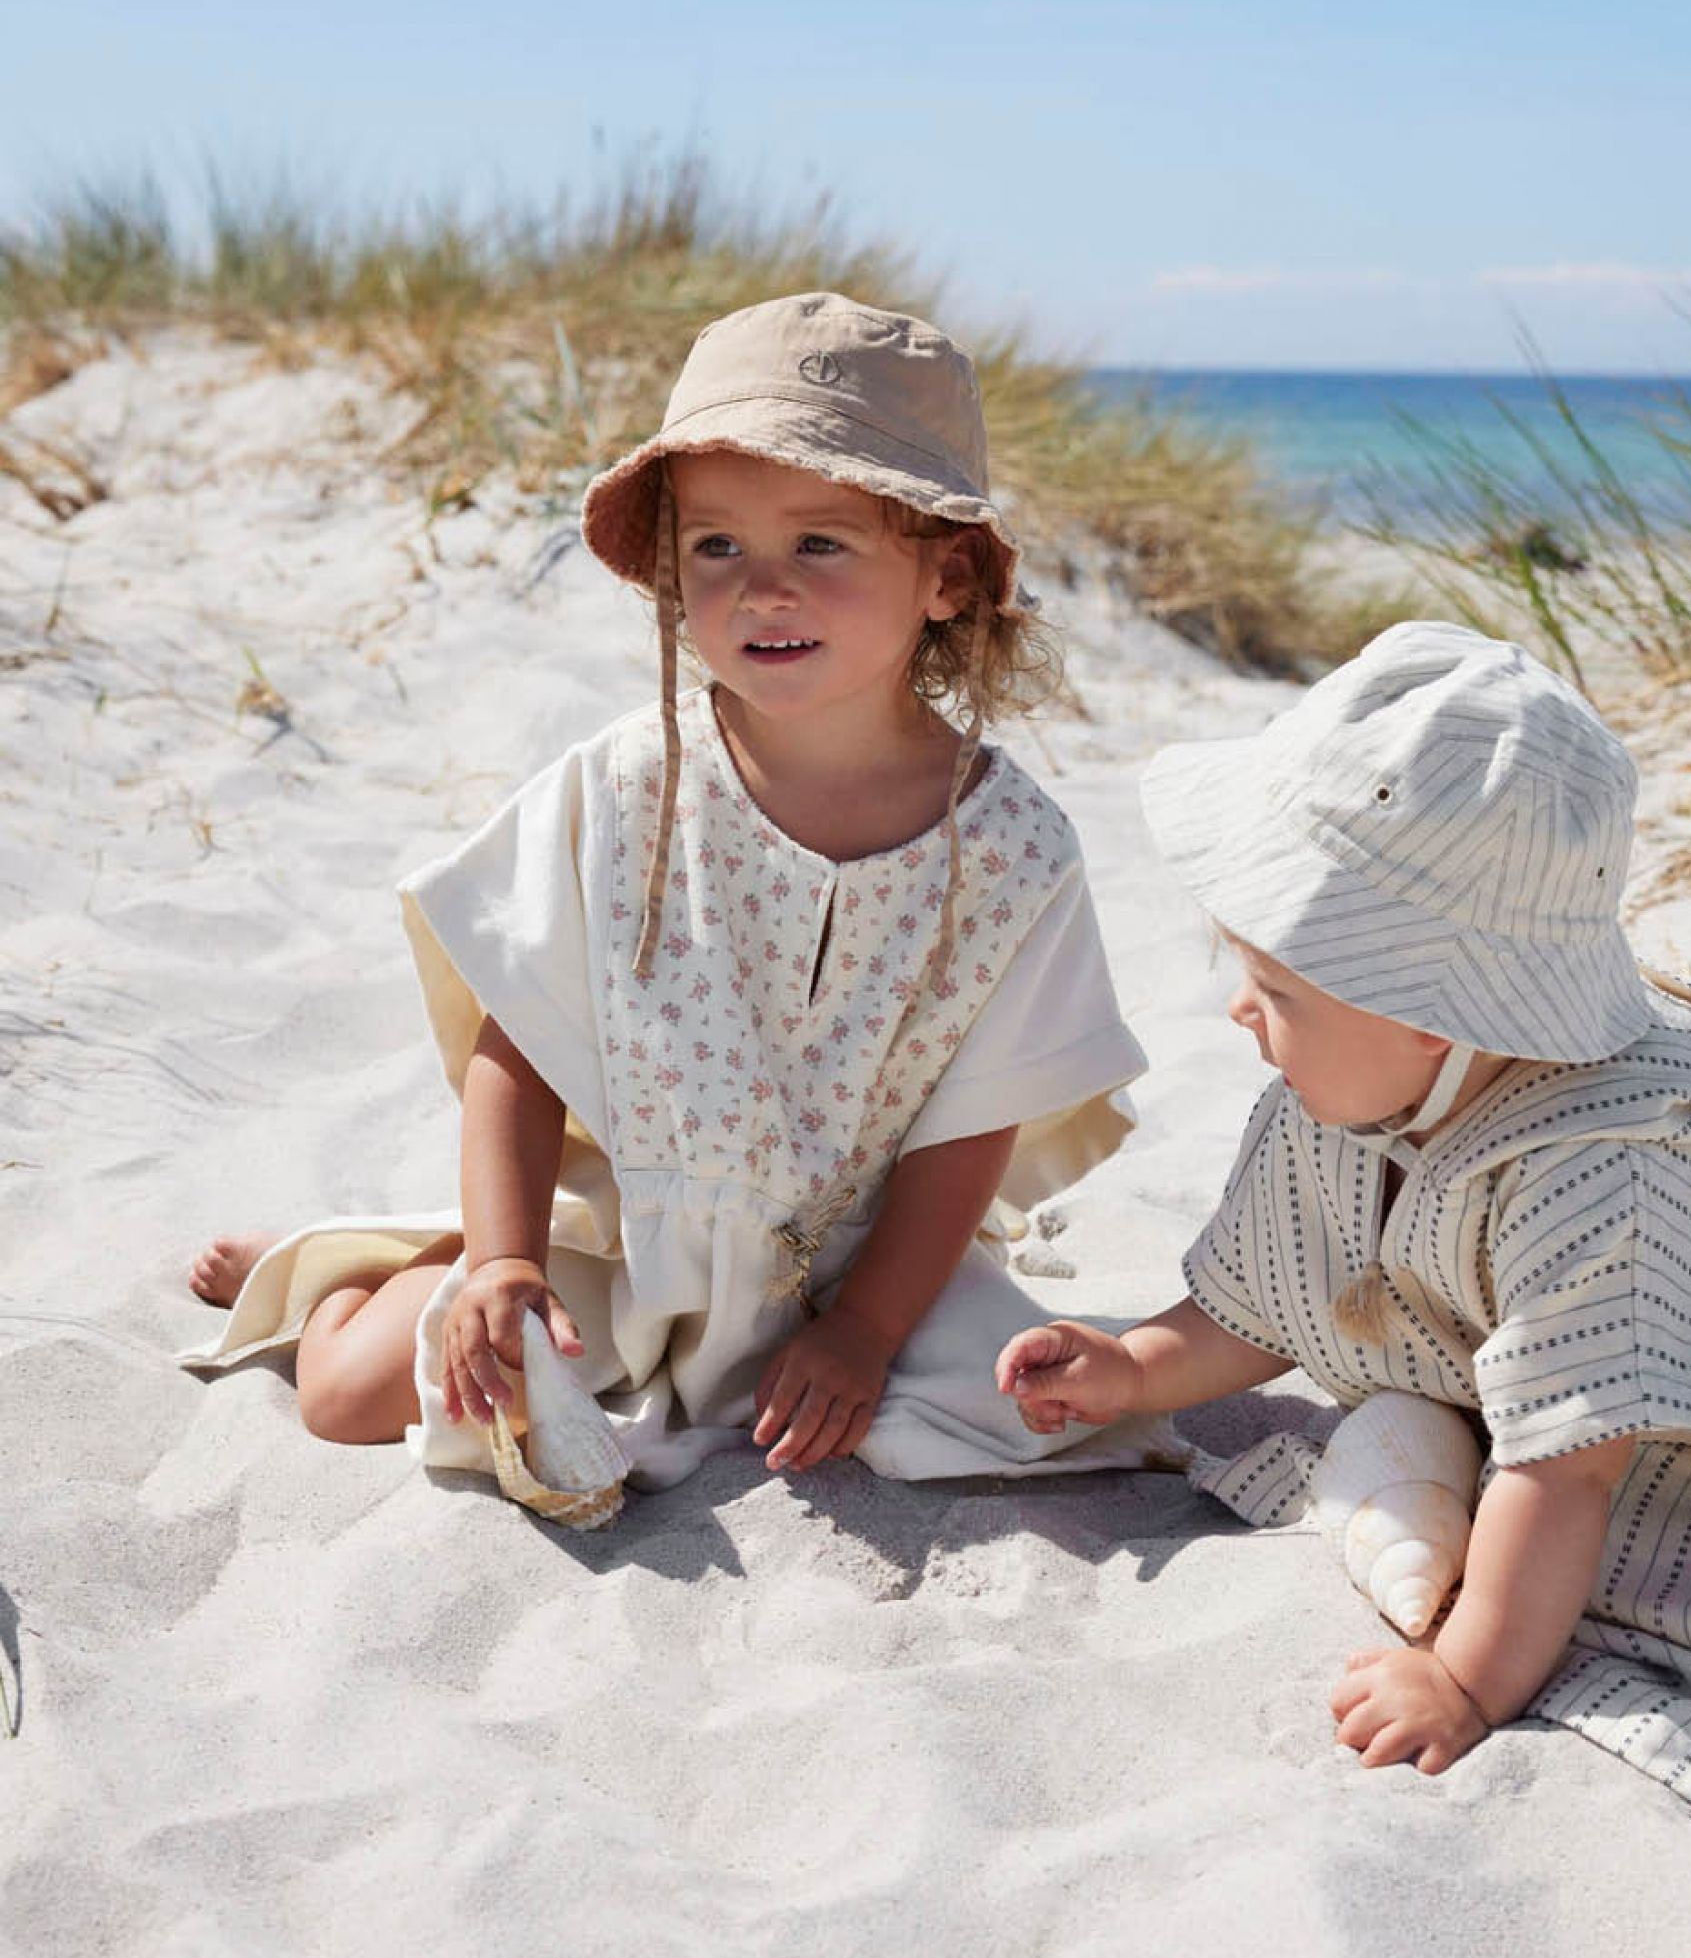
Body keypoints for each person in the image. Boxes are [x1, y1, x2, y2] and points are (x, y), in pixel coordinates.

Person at [997, 622, 1691, 1885]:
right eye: (1233, 965)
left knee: (1624, 1557)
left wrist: (1463, 1682)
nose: (1236, 1008)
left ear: (1432, 1015)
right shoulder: (1339, 1097)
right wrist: (1132, 1362)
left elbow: (1567, 1476)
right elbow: (1271, 1293)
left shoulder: (1602, 1173)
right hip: (1570, 1395)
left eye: (1277, 987)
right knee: (1485, 1502)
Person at [185, 291, 1154, 1495]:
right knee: (350, 1396)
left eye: (819, 542)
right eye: (715, 546)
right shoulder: (629, 786)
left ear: (947, 575)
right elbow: (519, 1045)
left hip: (863, 1262)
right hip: (629, 1233)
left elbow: (971, 1125)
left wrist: (861, 1332)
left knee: (1038, 1412)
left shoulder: (1011, 845)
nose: (760, 588)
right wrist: (502, 1258)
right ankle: (336, 1272)